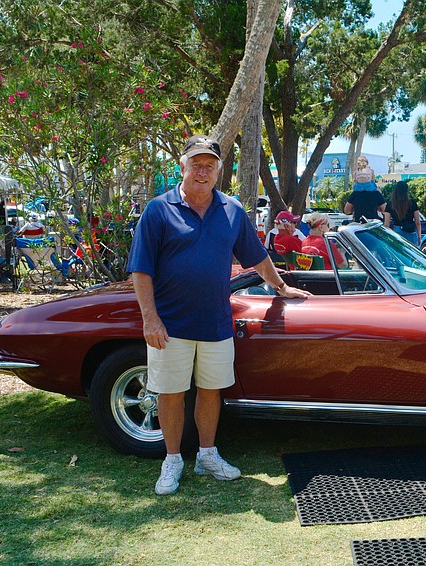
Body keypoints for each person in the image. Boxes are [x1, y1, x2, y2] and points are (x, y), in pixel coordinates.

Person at [127, 134, 311, 496]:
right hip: (170, 324)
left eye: (209, 166)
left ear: (218, 172)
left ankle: (207, 455)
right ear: (182, 167)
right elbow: (141, 269)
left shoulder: (232, 210)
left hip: (215, 322)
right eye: (196, 164)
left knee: (211, 391)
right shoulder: (158, 210)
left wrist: (281, 287)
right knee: (171, 393)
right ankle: (172, 460)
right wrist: (150, 318)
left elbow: (256, 256)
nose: (202, 171)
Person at [384, 181, 421, 245]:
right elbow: (417, 222)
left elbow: (387, 224)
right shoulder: (412, 202)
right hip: (410, 231)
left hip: (397, 231)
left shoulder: (390, 204)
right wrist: (419, 236)